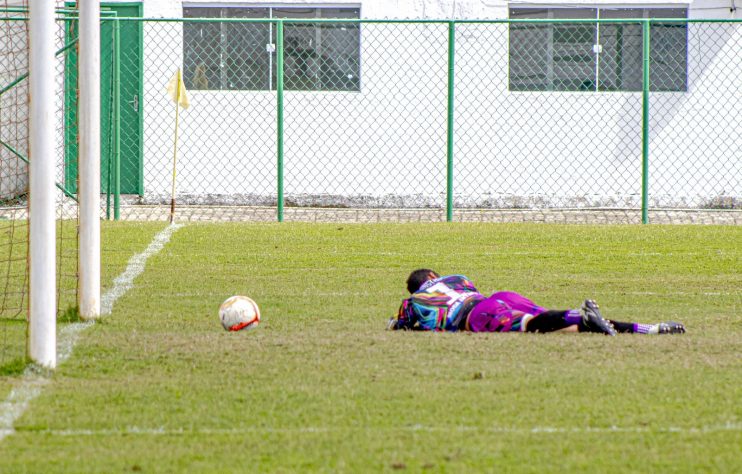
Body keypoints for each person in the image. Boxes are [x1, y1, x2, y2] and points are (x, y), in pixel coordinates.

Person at [388, 269, 686, 336]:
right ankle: (648, 329)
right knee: (552, 323)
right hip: (496, 297)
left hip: (475, 314)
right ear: (433, 275)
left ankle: (581, 317)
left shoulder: (414, 300)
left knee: (532, 326)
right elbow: (469, 289)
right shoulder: (456, 279)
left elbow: (398, 324)